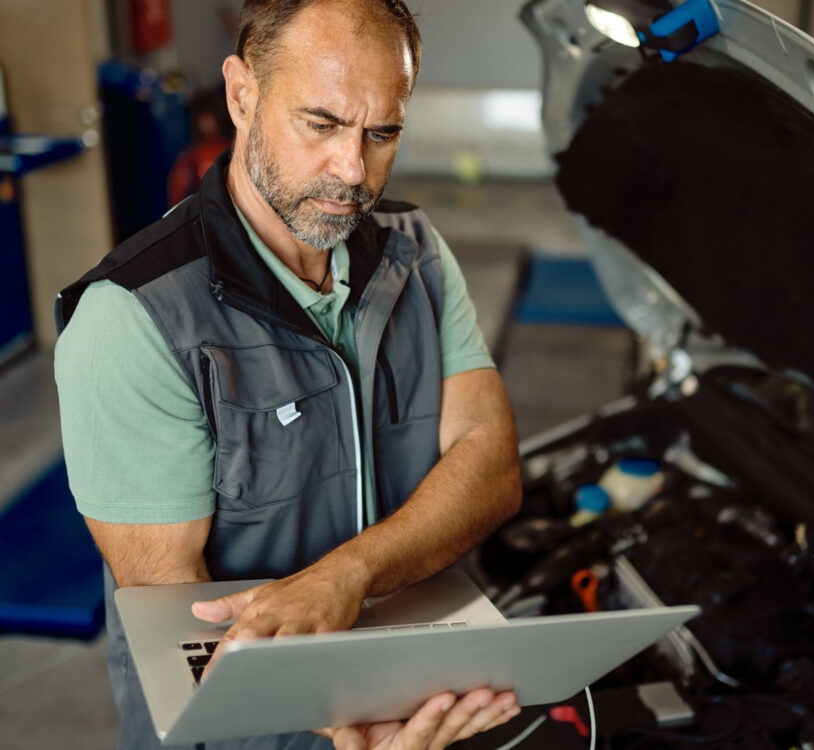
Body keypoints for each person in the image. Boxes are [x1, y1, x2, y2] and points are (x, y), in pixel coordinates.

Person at [53, 1, 524, 748]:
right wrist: (348, 713)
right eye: (321, 122)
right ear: (242, 94)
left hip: (417, 707)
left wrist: (352, 573)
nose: (352, 170)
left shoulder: (417, 254)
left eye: (383, 133)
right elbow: (178, 618)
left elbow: (490, 462)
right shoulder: (132, 319)